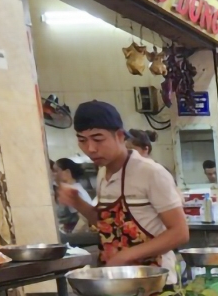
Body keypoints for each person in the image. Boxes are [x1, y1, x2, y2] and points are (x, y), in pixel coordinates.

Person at [59, 100, 188, 276]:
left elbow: (180, 233)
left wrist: (126, 256)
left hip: (155, 280)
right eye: (82, 140)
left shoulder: (150, 172)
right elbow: (107, 224)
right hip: (116, 277)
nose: (90, 148)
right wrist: (77, 202)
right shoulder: (103, 173)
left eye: (98, 139)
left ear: (120, 136)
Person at [52, 158, 93, 235]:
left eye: (56, 171)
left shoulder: (74, 191)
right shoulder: (73, 188)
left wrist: (72, 235)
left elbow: (83, 219)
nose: (53, 174)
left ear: (67, 172)